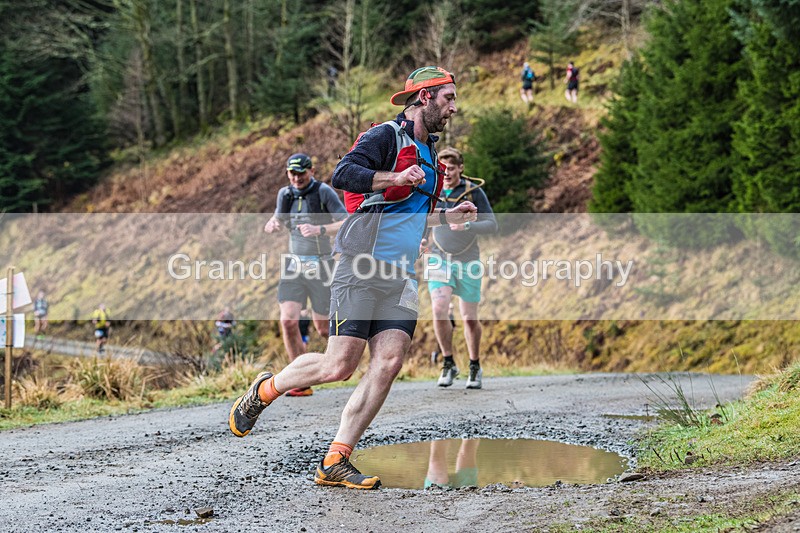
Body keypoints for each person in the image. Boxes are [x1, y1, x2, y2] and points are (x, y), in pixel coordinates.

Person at [229, 65, 477, 490]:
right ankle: (266, 389)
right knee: (339, 365)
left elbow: (412, 216)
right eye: (448, 98)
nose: (454, 107)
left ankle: (335, 460)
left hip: (401, 275)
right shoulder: (385, 136)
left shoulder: (433, 158)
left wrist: (446, 217)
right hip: (360, 263)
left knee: (390, 360)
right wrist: (395, 176)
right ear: (424, 97)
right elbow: (345, 174)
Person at [263, 152, 348, 397]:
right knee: (288, 321)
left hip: (322, 265)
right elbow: (278, 218)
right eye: (293, 173)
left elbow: (346, 222)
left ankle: (343, 361)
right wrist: (273, 224)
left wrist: (320, 229)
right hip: (294, 265)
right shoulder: (285, 194)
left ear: (311, 171)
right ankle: (300, 381)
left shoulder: (323, 192)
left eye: (301, 173)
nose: (297, 178)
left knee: (323, 329)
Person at [425, 146, 498, 390]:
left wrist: (467, 226)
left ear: (460, 168)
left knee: (468, 318)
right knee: (439, 308)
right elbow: (422, 217)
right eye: (443, 168)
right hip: (438, 258)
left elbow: (491, 224)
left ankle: (474, 364)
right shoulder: (432, 189)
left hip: (468, 259)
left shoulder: (473, 191)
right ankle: (448, 362)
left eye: (452, 168)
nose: (446, 173)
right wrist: (421, 239)